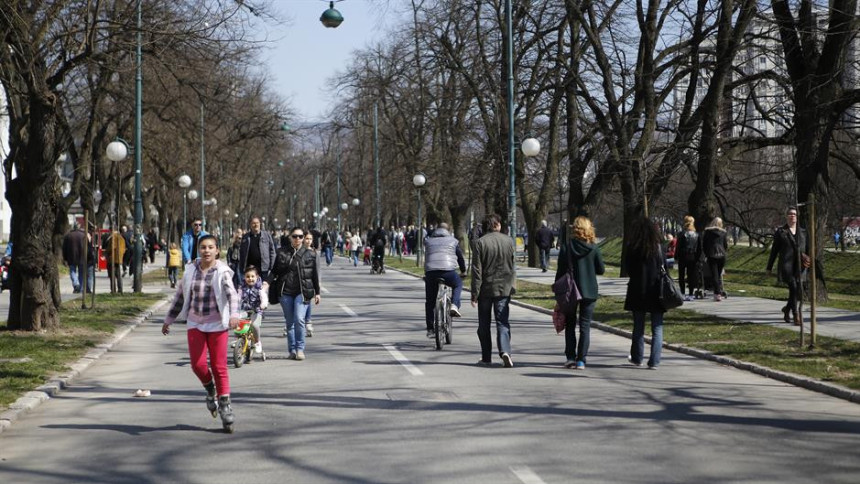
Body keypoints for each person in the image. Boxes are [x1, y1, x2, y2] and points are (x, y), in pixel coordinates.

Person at [162, 234, 241, 432]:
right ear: (199, 249)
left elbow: (232, 295)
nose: (206, 250)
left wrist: (234, 315)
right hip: (195, 323)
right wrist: (168, 320)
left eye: (210, 247)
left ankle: (224, 403)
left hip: (217, 324)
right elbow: (180, 296)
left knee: (218, 365)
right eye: (203, 247)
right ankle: (210, 389)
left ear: (217, 250)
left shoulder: (221, 271)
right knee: (197, 365)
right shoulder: (190, 270)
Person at [555, 216, 605, 370]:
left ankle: (570, 357)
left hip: (570, 291)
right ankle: (581, 359)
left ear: (575, 229)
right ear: (589, 229)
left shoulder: (567, 247)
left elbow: (560, 272)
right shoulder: (594, 248)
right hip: (589, 290)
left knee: (570, 324)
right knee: (585, 326)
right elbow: (601, 270)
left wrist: (558, 293)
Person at [268, 226, 321, 360]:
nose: (297, 239)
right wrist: (265, 283)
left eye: (300, 236)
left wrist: (317, 292)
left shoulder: (311, 254)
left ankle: (300, 348)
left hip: (302, 292)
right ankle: (292, 350)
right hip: (285, 292)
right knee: (290, 322)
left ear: (303, 238)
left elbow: (314, 275)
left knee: (299, 319)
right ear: (290, 237)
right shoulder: (281, 252)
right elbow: (274, 271)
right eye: (295, 236)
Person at [471, 214, 516, 368]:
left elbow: (477, 270)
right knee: (502, 321)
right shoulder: (509, 241)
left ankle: (486, 357)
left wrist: (474, 293)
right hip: (504, 287)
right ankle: (505, 351)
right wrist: (512, 285)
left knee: (484, 323)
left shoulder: (480, 243)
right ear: (497, 225)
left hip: (485, 288)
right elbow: (512, 265)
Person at [624, 217, 667, 370]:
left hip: (638, 289)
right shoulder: (659, 247)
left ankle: (637, 357)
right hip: (656, 290)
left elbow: (628, 268)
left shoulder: (632, 247)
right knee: (657, 327)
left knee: (638, 326)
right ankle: (654, 361)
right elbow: (665, 268)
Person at [423, 222, 467, 338]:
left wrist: (426, 274)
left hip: (431, 272)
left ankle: (430, 329)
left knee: (430, 301)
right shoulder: (453, 241)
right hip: (448, 272)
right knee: (458, 283)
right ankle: (454, 305)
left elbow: (427, 258)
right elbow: (460, 257)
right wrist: (463, 271)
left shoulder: (428, 241)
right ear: (449, 230)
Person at [767, 207, 809, 325]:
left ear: (797, 216)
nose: (792, 216)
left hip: (800, 265)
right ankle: (796, 315)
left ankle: (787, 309)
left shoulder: (803, 232)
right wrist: (769, 267)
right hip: (786, 265)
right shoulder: (781, 232)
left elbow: (808, 249)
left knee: (796, 290)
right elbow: (774, 251)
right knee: (794, 287)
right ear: (786, 216)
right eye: (790, 214)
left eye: (794, 214)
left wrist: (809, 262)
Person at [240, 265, 269, 355]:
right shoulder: (242, 288)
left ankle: (257, 342)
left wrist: (263, 305)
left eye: (252, 276)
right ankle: (240, 340)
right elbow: (236, 297)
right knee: (237, 321)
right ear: (244, 277)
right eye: (248, 277)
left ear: (257, 277)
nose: (250, 279)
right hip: (245, 310)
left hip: (256, 311)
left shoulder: (259, 289)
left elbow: (264, 298)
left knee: (254, 325)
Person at [702, 217, 728, 301]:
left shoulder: (707, 232)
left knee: (714, 275)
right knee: (719, 275)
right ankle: (719, 290)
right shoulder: (723, 233)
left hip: (712, 255)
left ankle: (717, 293)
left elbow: (704, 245)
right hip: (722, 255)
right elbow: (725, 245)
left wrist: (706, 254)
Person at [675, 216, 699, 301]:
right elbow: (699, 248)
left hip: (682, 256)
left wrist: (675, 256)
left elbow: (678, 246)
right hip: (692, 256)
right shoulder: (696, 234)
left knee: (681, 275)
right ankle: (691, 294)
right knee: (691, 275)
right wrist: (698, 258)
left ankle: (682, 293)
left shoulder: (681, 233)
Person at [62, 225, 87, 293]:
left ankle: (76, 284)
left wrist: (65, 258)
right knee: (81, 273)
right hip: (82, 257)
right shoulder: (83, 235)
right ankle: (80, 287)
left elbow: (64, 248)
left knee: (72, 271)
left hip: (71, 256)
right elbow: (87, 247)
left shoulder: (68, 236)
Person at [302, 232, 318, 336]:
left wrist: (318, 285)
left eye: (310, 239)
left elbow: (317, 270)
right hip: (299, 281)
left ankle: (308, 321)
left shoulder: (313, 253)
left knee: (307, 301)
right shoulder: (299, 251)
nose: (308, 241)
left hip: (309, 281)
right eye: (306, 238)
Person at [104, 228, 126, 294]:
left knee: (112, 275)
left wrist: (106, 252)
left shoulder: (113, 238)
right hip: (119, 258)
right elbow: (124, 248)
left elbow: (111, 247)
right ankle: (120, 288)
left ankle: (113, 289)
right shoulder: (122, 238)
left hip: (112, 258)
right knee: (119, 275)